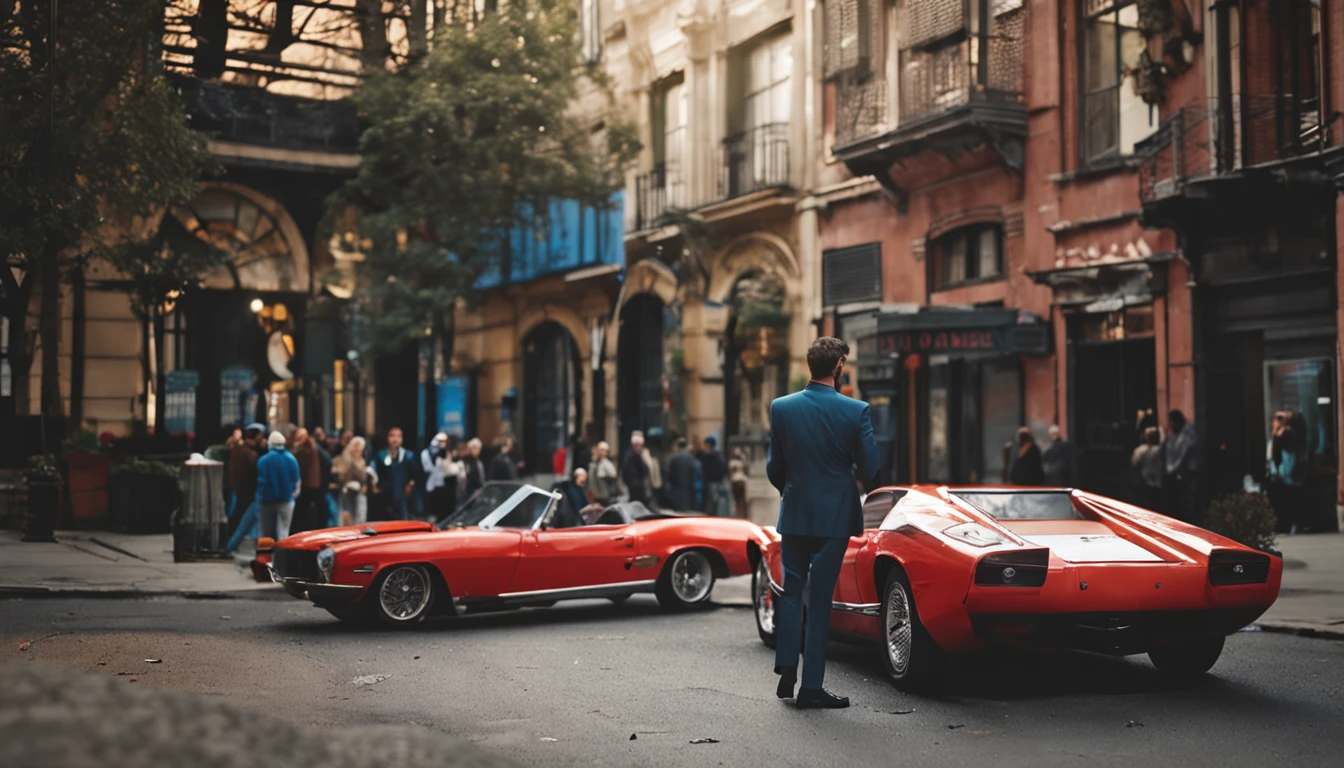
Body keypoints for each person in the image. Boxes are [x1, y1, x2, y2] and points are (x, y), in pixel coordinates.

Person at [768, 337, 878, 709]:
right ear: (839, 365)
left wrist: (795, 490)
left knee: (791, 590)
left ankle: (786, 665)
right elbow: (871, 468)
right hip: (834, 517)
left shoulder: (781, 408)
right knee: (820, 602)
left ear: (810, 365)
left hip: (796, 511)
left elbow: (773, 467)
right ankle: (811, 687)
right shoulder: (857, 410)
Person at [256, 430, 301, 540]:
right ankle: (281, 556)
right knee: (284, 532)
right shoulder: (292, 459)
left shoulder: (263, 460)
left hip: (267, 500)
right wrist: (292, 495)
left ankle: (266, 557)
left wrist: (258, 500)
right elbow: (296, 480)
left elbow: (261, 482)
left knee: (266, 534)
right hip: (286, 501)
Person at [371, 427, 418, 521]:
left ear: (402, 439)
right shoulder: (380, 455)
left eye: (398, 436)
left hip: (401, 495)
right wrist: (373, 484)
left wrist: (410, 485)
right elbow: (372, 470)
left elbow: (415, 474)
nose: (395, 439)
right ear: (387, 438)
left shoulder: (408, 456)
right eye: (392, 436)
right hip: (384, 496)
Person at [1163, 409, 1199, 524]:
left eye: (1170, 422)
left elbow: (1183, 456)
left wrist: (1173, 471)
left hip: (1187, 473)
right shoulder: (1174, 435)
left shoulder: (1187, 434)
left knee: (1186, 504)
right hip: (1178, 474)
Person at [422, 433, 461, 520]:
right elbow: (428, 468)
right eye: (439, 441)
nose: (441, 443)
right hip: (432, 485)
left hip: (446, 484)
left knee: (445, 508)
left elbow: (454, 467)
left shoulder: (448, 452)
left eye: (444, 441)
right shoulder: (427, 453)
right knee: (433, 509)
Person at [291, 428, 323, 534]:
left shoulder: (306, 450)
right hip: (309, 484)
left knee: (303, 513)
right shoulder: (310, 449)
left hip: (306, 485)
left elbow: (300, 467)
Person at [333, 436, 369, 526]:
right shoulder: (341, 459)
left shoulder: (361, 461)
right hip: (344, 492)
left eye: (359, 447)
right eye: (354, 446)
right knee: (344, 519)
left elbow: (363, 478)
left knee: (357, 520)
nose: (356, 449)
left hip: (357, 494)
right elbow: (338, 473)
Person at [1131, 426, 1164, 511]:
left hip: (1150, 484)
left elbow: (1134, 465)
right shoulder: (1160, 450)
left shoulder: (1140, 450)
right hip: (1150, 484)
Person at [663, 438, 701, 512]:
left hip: (676, 491)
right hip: (689, 492)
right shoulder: (691, 458)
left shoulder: (674, 459)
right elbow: (697, 474)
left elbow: (668, 474)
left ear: (678, 446)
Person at [700, 436, 731, 517]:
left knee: (712, 503)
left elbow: (706, 470)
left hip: (712, 482)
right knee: (716, 502)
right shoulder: (719, 454)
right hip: (718, 482)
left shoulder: (709, 455)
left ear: (708, 445)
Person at [622, 431, 653, 506]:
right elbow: (643, 470)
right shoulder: (634, 456)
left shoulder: (629, 454)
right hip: (636, 487)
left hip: (634, 486)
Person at [588, 441, 620, 505]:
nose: (601, 452)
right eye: (600, 450)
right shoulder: (596, 463)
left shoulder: (607, 463)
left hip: (605, 493)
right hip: (597, 493)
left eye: (603, 450)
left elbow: (613, 475)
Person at [729, 447, 750, 519]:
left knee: (742, 499)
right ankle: (738, 512)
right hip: (736, 481)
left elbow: (746, 468)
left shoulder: (742, 461)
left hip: (741, 481)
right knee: (736, 499)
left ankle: (742, 512)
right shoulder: (732, 462)